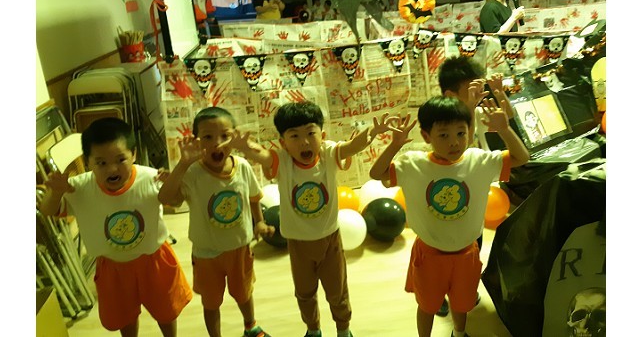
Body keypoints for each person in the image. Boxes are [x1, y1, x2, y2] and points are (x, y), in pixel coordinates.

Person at [228, 101, 401, 337]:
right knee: (305, 293)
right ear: (283, 143)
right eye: (294, 136)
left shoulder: (328, 153)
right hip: (298, 243)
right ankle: (313, 329)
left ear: (322, 135)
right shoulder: (283, 161)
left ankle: (343, 329)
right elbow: (262, 155)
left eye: (311, 133)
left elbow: (352, 147)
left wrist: (372, 132)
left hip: (330, 239)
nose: (304, 142)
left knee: (337, 291)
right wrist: (245, 147)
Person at [369, 96, 529, 337]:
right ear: (426, 136)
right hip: (429, 254)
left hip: (467, 253)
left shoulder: (479, 161)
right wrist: (395, 144)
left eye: (461, 133)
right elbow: (376, 173)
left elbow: (522, 157)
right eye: (443, 135)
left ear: (469, 131)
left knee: (462, 303)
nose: (454, 142)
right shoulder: (413, 164)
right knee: (427, 306)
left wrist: (504, 129)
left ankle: (459, 333)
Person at [39, 117, 192, 337]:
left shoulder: (150, 177)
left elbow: (175, 201)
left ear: (134, 154)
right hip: (112, 267)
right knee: (124, 318)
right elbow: (47, 210)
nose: (112, 169)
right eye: (101, 163)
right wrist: (55, 193)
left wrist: (175, 180)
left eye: (121, 159)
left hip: (154, 260)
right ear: (88, 162)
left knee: (166, 312)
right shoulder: (79, 188)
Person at [158, 107, 274, 337]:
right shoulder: (192, 172)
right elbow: (167, 198)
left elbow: (253, 197)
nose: (217, 143)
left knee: (244, 292)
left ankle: (251, 326)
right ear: (196, 141)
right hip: (206, 253)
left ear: (235, 137)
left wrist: (259, 222)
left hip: (240, 246)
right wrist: (181, 166)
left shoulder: (242, 166)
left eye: (225, 136)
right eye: (208, 137)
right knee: (211, 302)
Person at [435, 55, 517, 317]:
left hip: (475, 193)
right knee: (442, 250)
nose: (479, 94)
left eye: (480, 87)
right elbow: (463, 144)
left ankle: (463, 288)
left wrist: (499, 93)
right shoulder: (441, 119)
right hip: (448, 196)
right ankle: (438, 293)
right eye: (472, 89)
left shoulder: (478, 110)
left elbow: (509, 116)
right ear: (450, 95)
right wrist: (470, 107)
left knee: (473, 246)